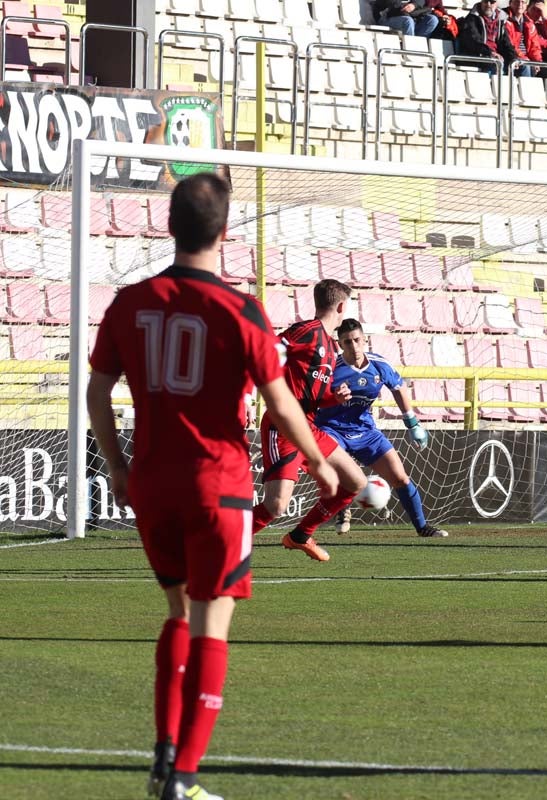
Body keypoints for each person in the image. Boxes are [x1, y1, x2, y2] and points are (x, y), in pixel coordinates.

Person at [87, 173, 339, 800]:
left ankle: (163, 759)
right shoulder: (240, 310)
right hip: (218, 489)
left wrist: (118, 467)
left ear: (169, 226)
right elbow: (280, 404)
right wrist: (319, 462)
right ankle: (186, 779)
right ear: (225, 233)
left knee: (177, 613)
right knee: (212, 627)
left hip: (152, 484)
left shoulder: (128, 302)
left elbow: (96, 390)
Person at [250, 279, 368, 562]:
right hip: (284, 426)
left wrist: (334, 397)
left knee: (355, 482)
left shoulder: (330, 345)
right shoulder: (307, 331)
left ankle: (300, 535)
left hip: (308, 428)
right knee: (276, 505)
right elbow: (270, 349)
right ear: (341, 306)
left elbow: (316, 393)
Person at [316, 319, 449, 539]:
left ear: (365, 339)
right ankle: (343, 507)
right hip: (332, 429)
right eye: (347, 342)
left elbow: (398, 388)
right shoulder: (330, 369)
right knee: (343, 472)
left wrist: (412, 423)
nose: (354, 346)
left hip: (366, 431)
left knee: (400, 478)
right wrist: (332, 398)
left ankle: (423, 528)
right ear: (340, 345)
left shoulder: (379, 365)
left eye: (357, 340)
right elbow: (312, 399)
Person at [458, 0, 516, 72]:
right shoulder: (472, 19)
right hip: (477, 56)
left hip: (494, 56)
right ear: (481, 2)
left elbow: (506, 43)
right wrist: (490, 53)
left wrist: (513, 58)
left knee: (523, 67)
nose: (488, 4)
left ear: (496, 3)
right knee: (497, 64)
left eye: (492, 2)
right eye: (485, 1)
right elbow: (473, 41)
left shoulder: (500, 20)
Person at [502, 0, 540, 77]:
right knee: (526, 66)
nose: (520, 4)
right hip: (510, 57)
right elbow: (509, 44)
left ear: (527, 4)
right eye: (517, 1)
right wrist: (523, 58)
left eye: (523, 2)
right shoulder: (504, 18)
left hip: (525, 59)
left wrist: (537, 62)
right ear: (510, 3)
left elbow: (535, 46)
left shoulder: (529, 22)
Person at [372, 0, 441, 38]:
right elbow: (390, 3)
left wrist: (414, 5)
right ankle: (410, 49)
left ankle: (418, 45)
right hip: (386, 16)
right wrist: (404, 7)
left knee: (432, 20)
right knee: (408, 21)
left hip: (408, 17)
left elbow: (421, 1)